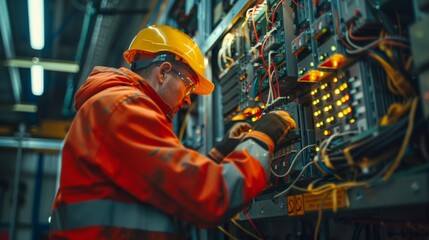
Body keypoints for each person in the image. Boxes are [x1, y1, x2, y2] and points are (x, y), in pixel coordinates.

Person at [49, 24, 296, 239]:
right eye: (188, 85)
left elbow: (161, 191)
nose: (188, 100)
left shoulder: (113, 105)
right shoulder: (125, 108)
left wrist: (220, 154)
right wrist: (263, 138)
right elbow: (208, 198)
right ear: (164, 71)